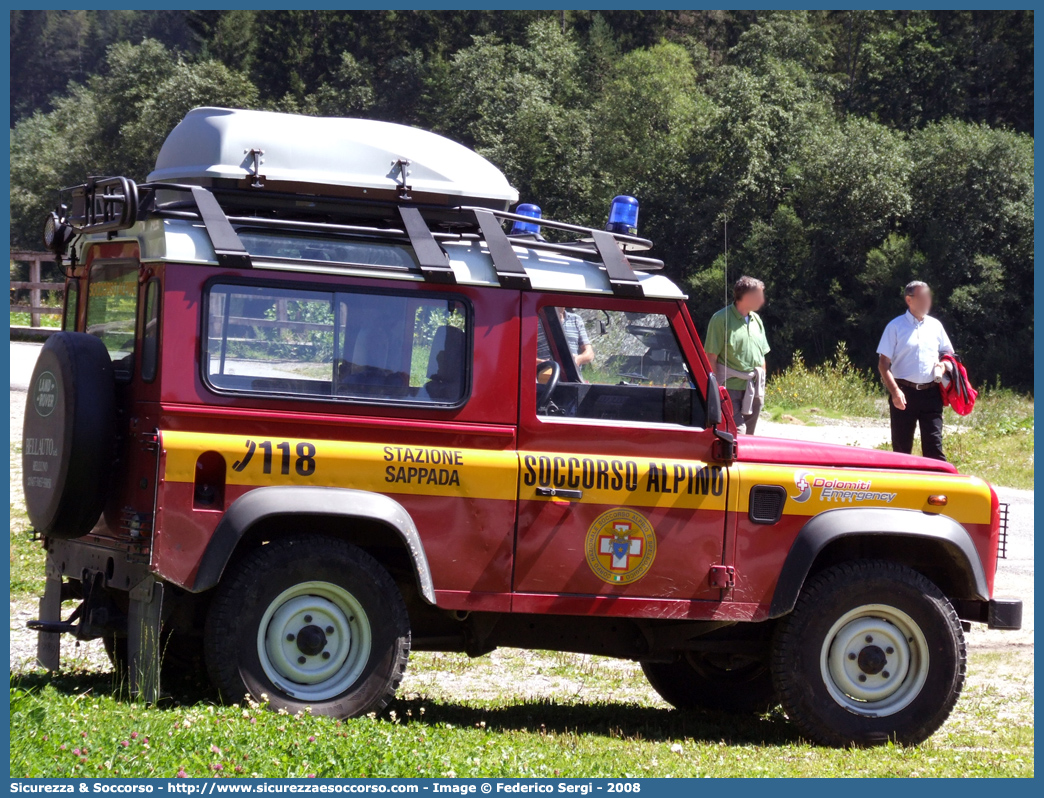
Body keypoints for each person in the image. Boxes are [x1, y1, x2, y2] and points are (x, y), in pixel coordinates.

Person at [876, 280, 954, 461]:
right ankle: (904, 488)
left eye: (929, 296)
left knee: (934, 448)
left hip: (932, 393)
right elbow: (883, 363)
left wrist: (943, 365)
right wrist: (895, 392)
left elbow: (949, 354)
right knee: (902, 450)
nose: (928, 301)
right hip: (904, 393)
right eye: (923, 297)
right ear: (909, 300)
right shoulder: (895, 327)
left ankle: (936, 489)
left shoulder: (936, 326)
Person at [705, 276, 769, 434]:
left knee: (750, 435)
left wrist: (762, 382)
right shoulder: (720, 319)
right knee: (736, 433)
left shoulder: (757, 320)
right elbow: (711, 356)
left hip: (753, 388)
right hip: (729, 387)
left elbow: (762, 355)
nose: (762, 300)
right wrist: (716, 389)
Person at [537, 307, 594, 373]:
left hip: (570, 378)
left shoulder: (575, 319)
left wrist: (578, 359)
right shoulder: (533, 320)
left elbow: (589, 353)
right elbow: (523, 356)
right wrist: (543, 363)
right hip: (543, 378)